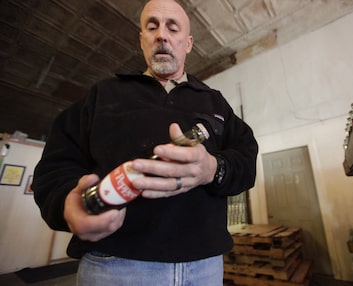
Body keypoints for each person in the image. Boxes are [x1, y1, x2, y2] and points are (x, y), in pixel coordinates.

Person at [32, 0, 258, 285]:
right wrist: (66, 203)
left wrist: (213, 168)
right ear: (142, 40)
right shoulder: (103, 94)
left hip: (204, 268)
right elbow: (55, 166)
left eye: (172, 28)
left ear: (188, 43)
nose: (162, 34)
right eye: (152, 27)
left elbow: (246, 159)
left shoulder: (216, 102)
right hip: (114, 266)